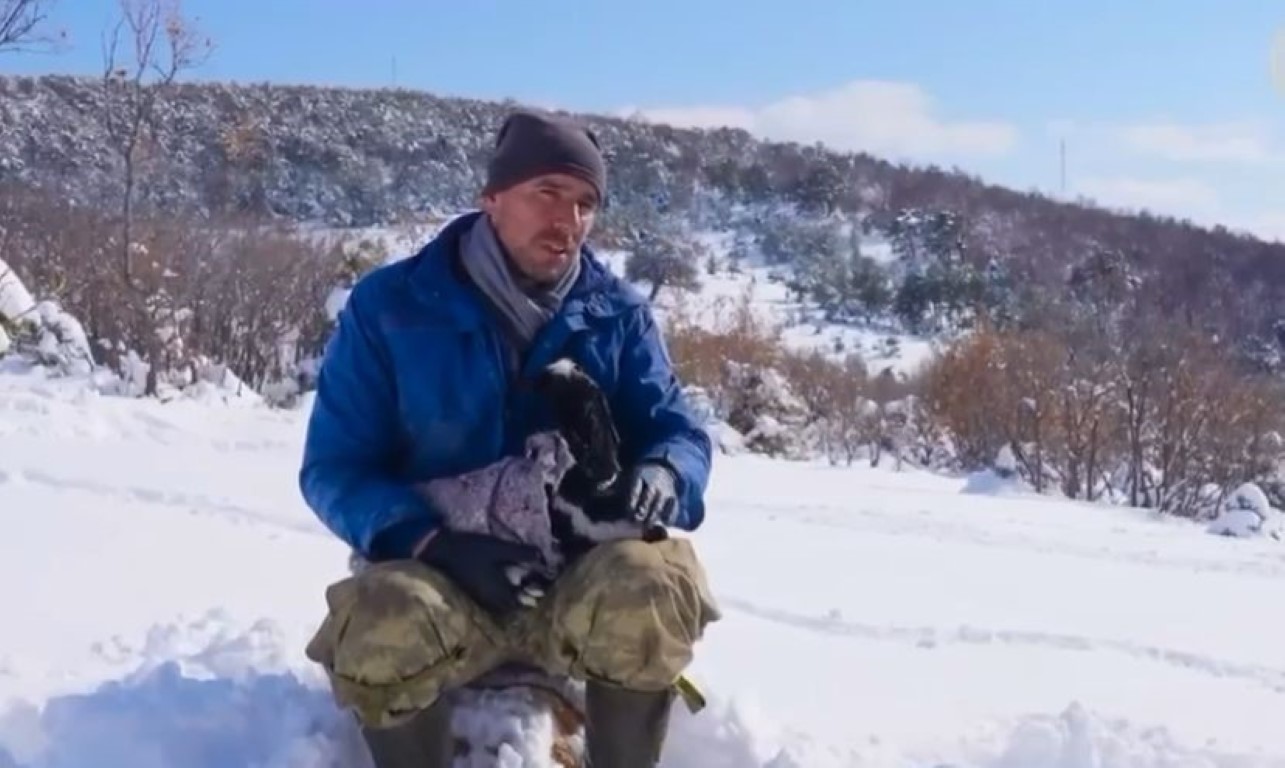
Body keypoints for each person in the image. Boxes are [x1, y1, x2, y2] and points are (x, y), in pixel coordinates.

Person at [297, 108, 720, 768]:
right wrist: (431, 542)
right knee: (379, 614)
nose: (568, 221)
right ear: (491, 197)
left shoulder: (618, 315)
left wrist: (665, 472)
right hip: (440, 579)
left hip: (576, 586)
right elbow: (335, 467)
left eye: (585, 203)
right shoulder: (391, 306)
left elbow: (675, 429)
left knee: (653, 580)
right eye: (547, 193)